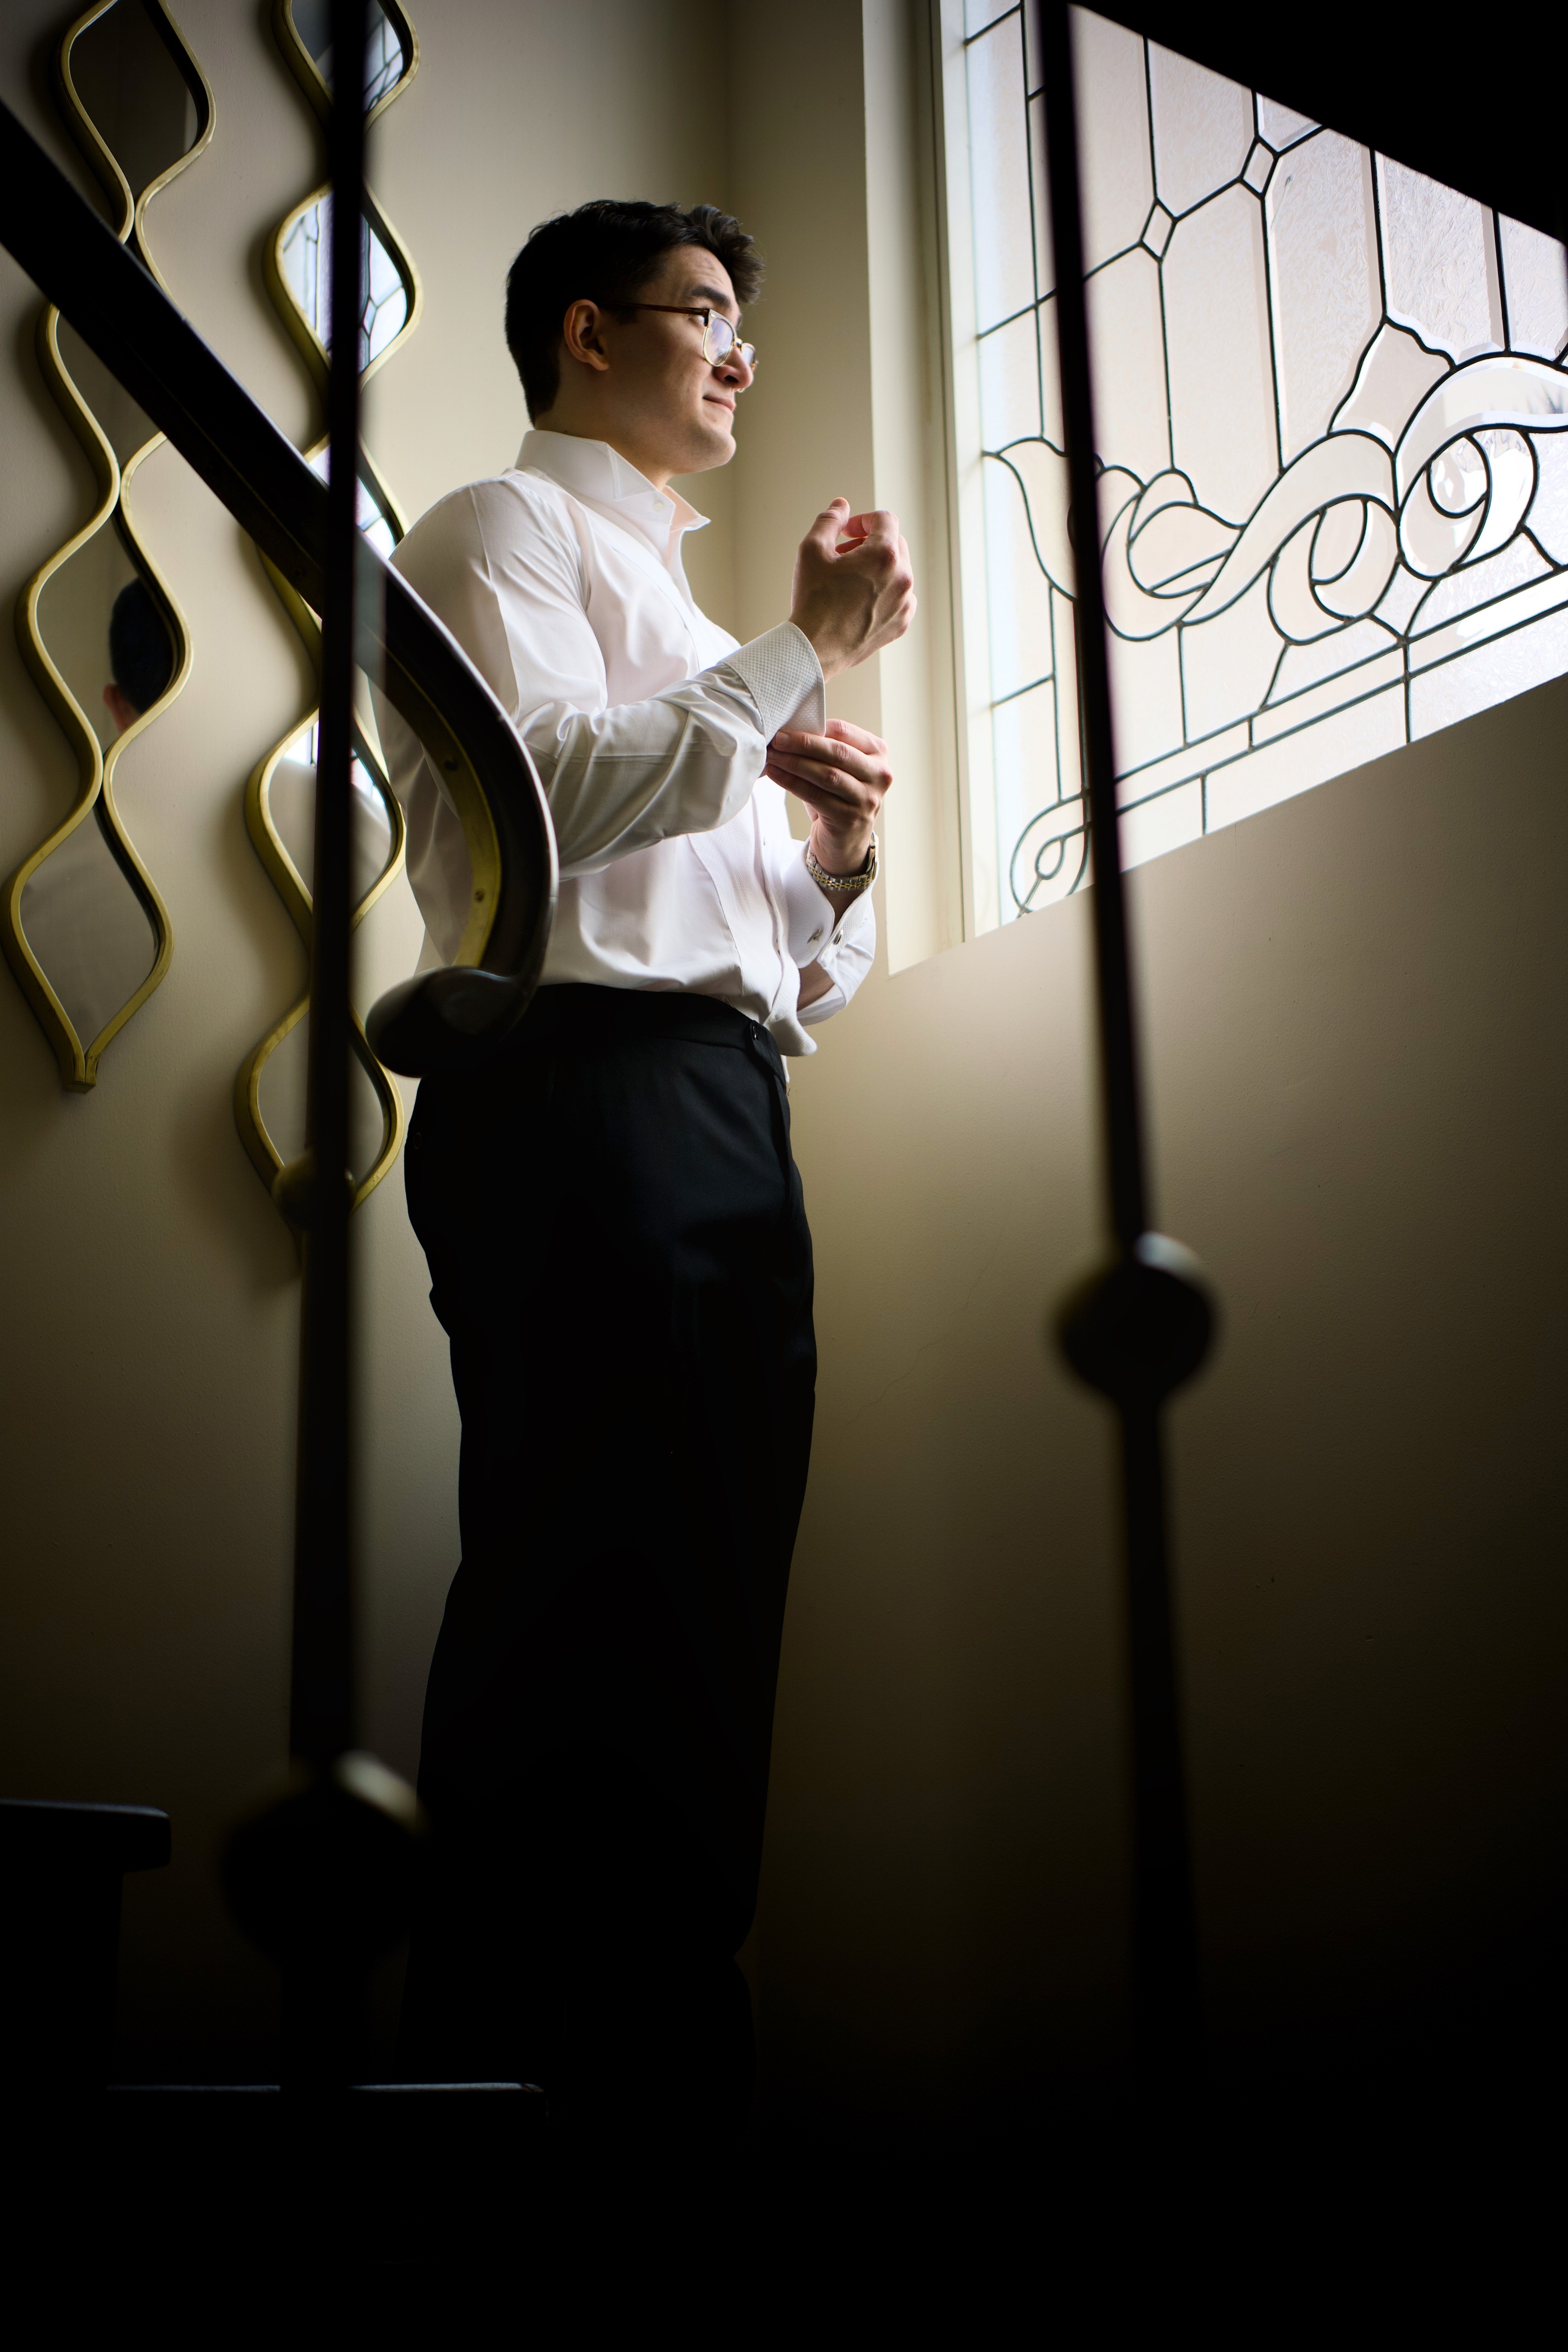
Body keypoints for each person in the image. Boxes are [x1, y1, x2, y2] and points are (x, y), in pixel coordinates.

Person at [375, 200, 915, 2151]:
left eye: (743, 323)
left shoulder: (699, 638)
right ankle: (506, 2070)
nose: (741, 351)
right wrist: (798, 656)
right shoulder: (493, 529)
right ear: (587, 335)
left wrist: (836, 863)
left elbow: (792, 969)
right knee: (582, 1588)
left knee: (706, 1609)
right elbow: (544, 793)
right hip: (580, 1095)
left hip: (723, 1111)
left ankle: (656, 2074)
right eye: (704, 314)